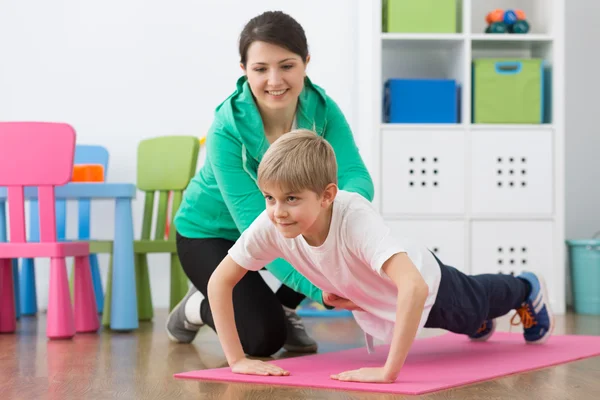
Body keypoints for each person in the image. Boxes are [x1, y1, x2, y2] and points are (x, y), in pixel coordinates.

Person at [207, 129, 555, 383]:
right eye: (269, 197)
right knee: (467, 319)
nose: (277, 211)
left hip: (428, 286)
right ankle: (478, 322)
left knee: (474, 302)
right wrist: (237, 360)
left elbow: (415, 288)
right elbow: (220, 281)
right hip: (382, 301)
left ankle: (526, 287)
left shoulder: (354, 217)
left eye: (292, 199)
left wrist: (389, 372)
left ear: (327, 195)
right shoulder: (270, 223)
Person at [167, 11, 374, 356]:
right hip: (210, 234)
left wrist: (343, 215)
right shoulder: (226, 128)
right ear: (244, 69)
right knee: (262, 340)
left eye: (287, 66)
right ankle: (196, 307)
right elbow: (259, 226)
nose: (274, 80)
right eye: (261, 69)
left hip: (278, 223)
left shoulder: (322, 109)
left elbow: (355, 176)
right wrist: (319, 289)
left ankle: (286, 306)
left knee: (326, 214)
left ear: (306, 63)